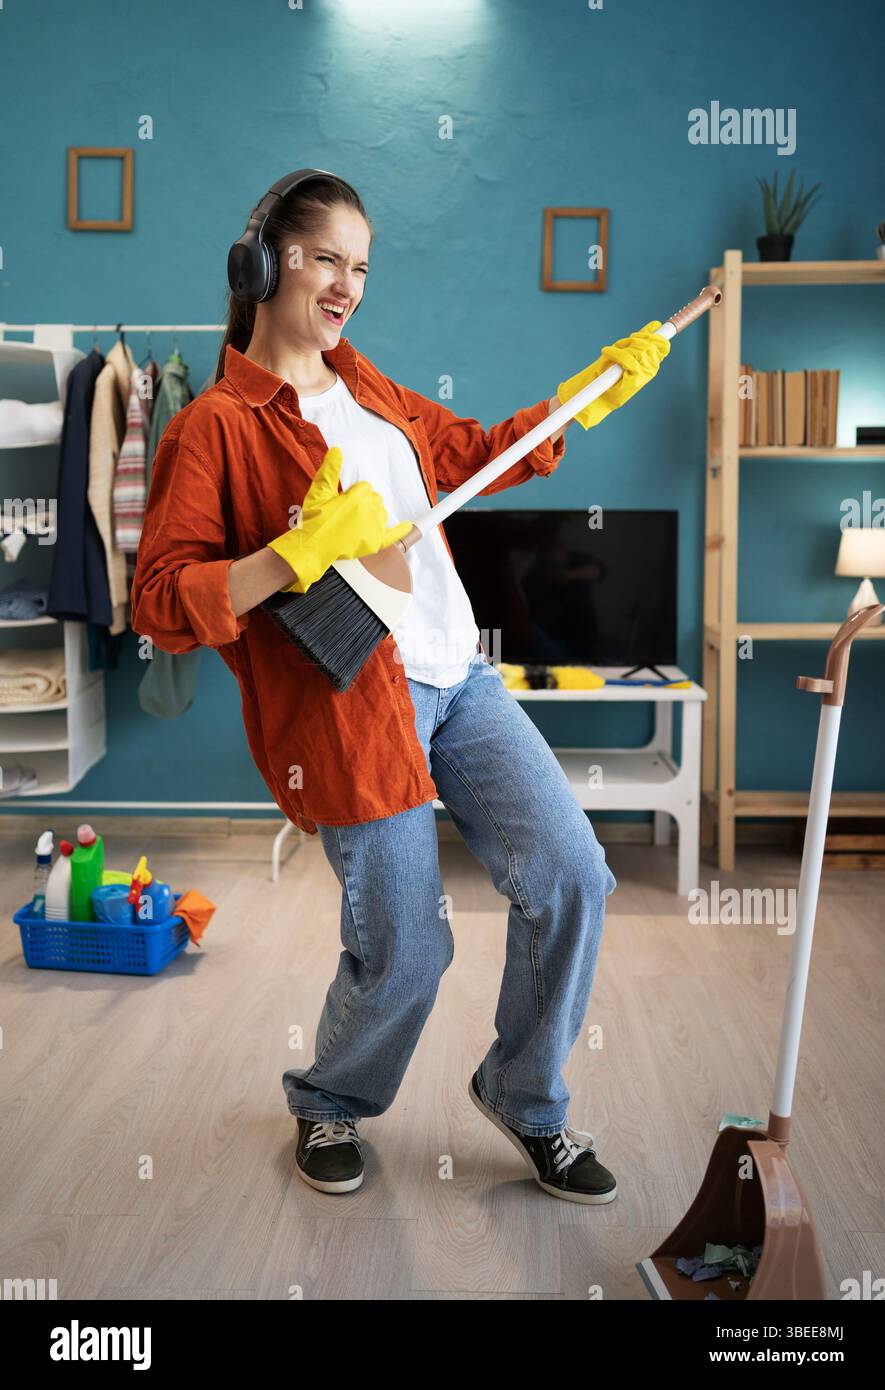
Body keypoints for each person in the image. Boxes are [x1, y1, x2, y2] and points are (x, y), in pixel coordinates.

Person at [131, 170, 669, 1205]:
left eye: (361, 266)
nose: (347, 286)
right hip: (351, 709)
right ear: (261, 264)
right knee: (409, 948)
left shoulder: (369, 387)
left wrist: (589, 391)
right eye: (325, 257)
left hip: (458, 676)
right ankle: (329, 1093)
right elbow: (160, 599)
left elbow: (477, 452)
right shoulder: (216, 425)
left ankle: (526, 1093)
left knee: (572, 875)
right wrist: (292, 554)